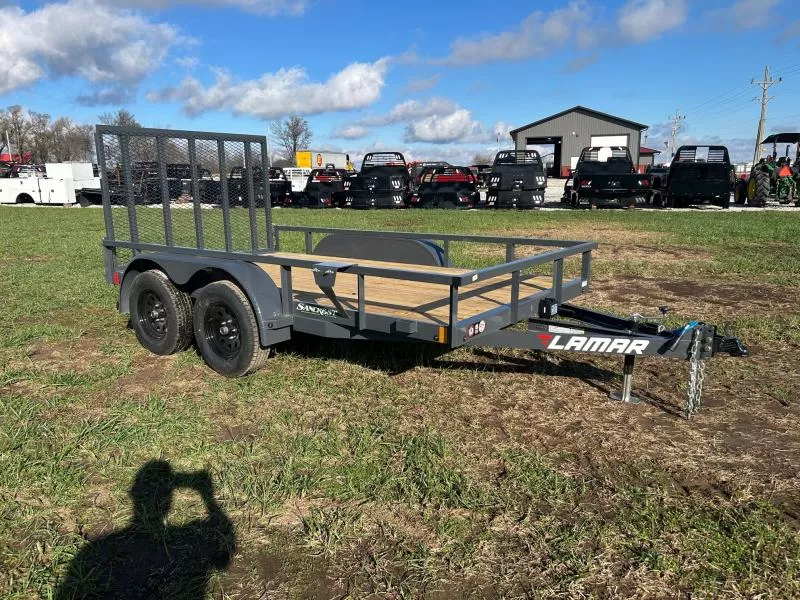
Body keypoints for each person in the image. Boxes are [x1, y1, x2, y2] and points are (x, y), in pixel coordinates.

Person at [54, 461, 236, 599]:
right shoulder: (97, 550)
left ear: (133, 494)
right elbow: (222, 560)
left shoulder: (94, 550)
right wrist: (208, 498)